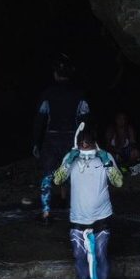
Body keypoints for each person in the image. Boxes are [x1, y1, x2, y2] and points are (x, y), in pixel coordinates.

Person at [52, 128, 124, 279]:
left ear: (94, 144)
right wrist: (68, 162)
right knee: (79, 254)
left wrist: (107, 163)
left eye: (88, 146)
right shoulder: (71, 157)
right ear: (77, 145)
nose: (84, 149)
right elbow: (57, 180)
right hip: (78, 217)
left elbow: (119, 182)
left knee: (100, 253)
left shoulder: (105, 156)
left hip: (101, 216)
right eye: (81, 146)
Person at [31, 59, 88, 221]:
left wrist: (35, 142)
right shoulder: (79, 94)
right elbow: (85, 118)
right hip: (72, 138)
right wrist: (85, 141)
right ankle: (71, 208)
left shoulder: (48, 93)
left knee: (48, 174)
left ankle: (46, 212)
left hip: (52, 137)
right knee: (72, 171)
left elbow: (40, 119)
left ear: (56, 74)